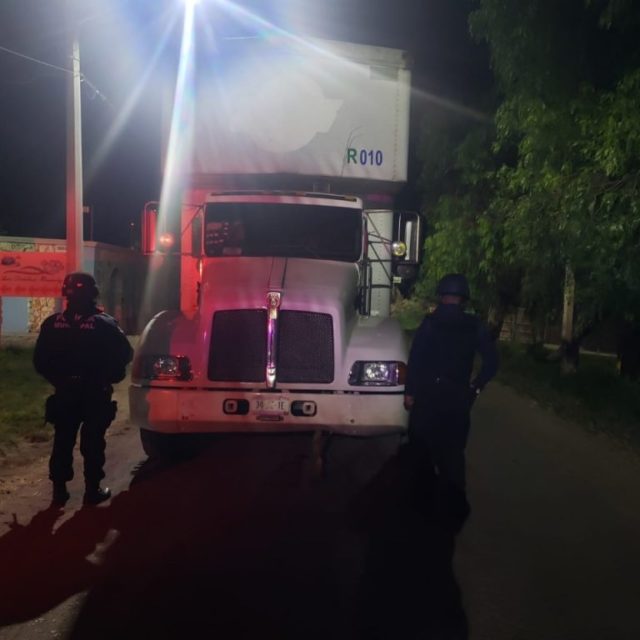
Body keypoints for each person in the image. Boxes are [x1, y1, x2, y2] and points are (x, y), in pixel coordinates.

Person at [404, 273, 498, 527]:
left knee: (420, 454)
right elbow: (492, 362)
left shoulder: (430, 323)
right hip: (457, 400)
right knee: (453, 457)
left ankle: (418, 512)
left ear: (441, 295)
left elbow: (416, 359)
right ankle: (451, 512)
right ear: (463, 298)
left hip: (427, 398)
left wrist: (410, 393)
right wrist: (475, 388)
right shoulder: (474, 325)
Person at [33, 272, 134, 506]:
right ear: (93, 294)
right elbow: (126, 354)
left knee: (63, 440)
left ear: (65, 294)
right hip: (94, 392)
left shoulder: (52, 324)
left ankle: (59, 491)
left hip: (65, 392)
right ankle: (92, 490)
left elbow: (40, 361)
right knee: (93, 441)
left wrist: (59, 380)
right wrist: (108, 376)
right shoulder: (105, 324)